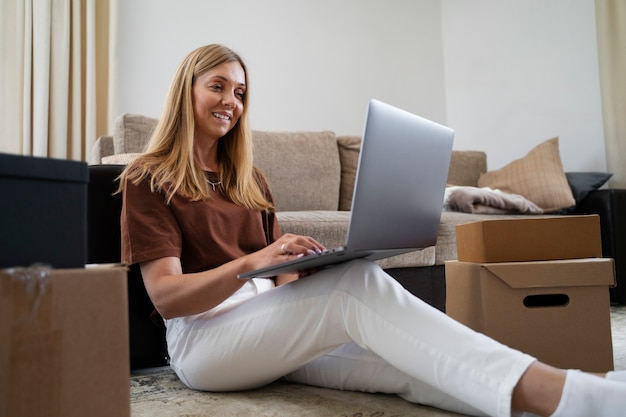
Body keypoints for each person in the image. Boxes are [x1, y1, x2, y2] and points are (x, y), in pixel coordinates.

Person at [119, 44, 626, 417]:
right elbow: (166, 297)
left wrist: (309, 273)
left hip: (264, 332)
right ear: (186, 90)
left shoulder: (250, 181)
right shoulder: (149, 177)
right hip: (204, 346)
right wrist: (253, 262)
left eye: (241, 92)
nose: (232, 101)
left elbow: (283, 290)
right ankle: (565, 392)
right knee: (355, 287)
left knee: (404, 358)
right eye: (218, 86)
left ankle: (568, 397)